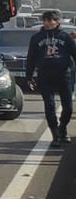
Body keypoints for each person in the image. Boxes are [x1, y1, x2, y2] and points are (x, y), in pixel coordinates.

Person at [25, 9, 76, 146]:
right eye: (45, 20)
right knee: (49, 105)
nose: (47, 23)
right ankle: (55, 134)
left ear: (57, 21)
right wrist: (29, 76)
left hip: (64, 75)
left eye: (50, 20)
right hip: (45, 75)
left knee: (68, 107)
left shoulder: (65, 37)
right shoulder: (36, 38)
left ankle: (62, 127)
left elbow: (74, 53)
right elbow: (31, 58)